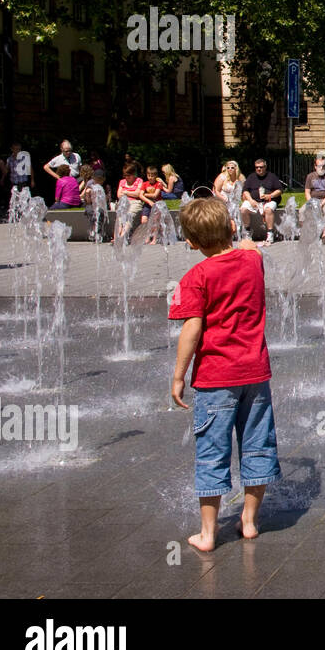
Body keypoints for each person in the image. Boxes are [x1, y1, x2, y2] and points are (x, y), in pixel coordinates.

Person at [168, 198, 281, 552]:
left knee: (212, 452)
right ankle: (248, 520)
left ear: (191, 242)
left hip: (216, 379)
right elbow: (252, 248)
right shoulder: (252, 260)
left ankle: (208, 533)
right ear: (232, 226)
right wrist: (244, 239)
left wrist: (178, 375)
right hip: (255, 374)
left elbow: (193, 329)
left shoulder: (196, 277)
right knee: (257, 445)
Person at [242, 158, 285, 243]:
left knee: (268, 210)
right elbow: (245, 191)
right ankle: (247, 232)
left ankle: (270, 233)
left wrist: (270, 195)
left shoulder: (272, 177)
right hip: (254, 201)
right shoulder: (251, 177)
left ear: (265, 167)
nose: (259, 169)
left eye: (261, 167)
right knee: (243, 209)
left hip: (269, 200)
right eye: (257, 167)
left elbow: (280, 190)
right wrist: (251, 200)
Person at [115, 161, 145, 243]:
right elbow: (119, 195)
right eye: (125, 175)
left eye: (128, 175)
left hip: (135, 203)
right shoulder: (122, 182)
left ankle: (123, 236)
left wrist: (126, 192)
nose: (126, 177)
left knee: (129, 216)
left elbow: (138, 194)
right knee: (120, 218)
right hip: (124, 203)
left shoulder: (139, 181)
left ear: (133, 174)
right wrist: (131, 193)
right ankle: (118, 236)